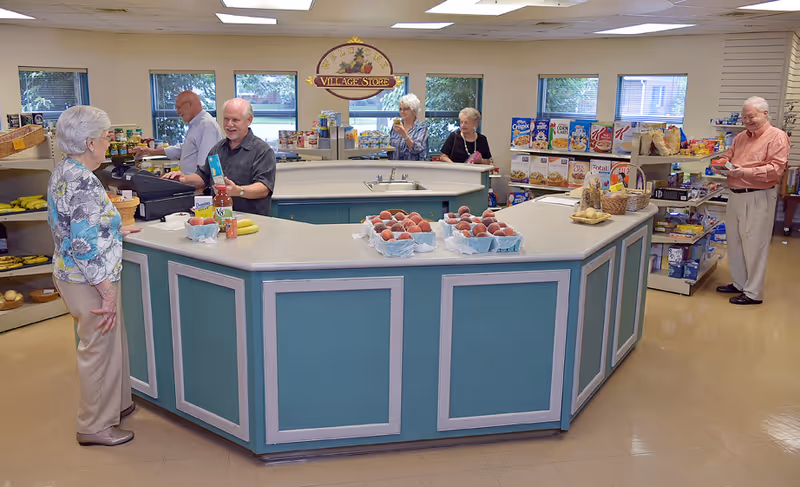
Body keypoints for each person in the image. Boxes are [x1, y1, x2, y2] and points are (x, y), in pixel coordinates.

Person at [47, 106, 141, 446]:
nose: (109, 142)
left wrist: (113, 231)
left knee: (108, 345)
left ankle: (115, 406)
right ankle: (93, 426)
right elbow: (83, 246)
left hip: (72, 274)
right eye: (106, 137)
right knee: (98, 350)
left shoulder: (64, 171)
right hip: (88, 279)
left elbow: (73, 224)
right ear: (89, 143)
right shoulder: (84, 181)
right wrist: (106, 292)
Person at [713, 96, 789, 305]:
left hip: (758, 196)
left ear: (765, 114)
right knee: (735, 241)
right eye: (745, 117)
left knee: (755, 244)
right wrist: (720, 164)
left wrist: (745, 172)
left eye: (752, 116)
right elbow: (728, 156)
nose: (748, 120)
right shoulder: (740, 138)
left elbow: (776, 169)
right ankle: (739, 283)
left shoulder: (777, 137)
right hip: (736, 194)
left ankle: (753, 292)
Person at [178, 98, 276, 216]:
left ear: (249, 120)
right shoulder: (217, 149)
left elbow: (263, 188)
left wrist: (238, 191)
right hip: (220, 217)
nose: (229, 124)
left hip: (250, 220)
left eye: (235, 120)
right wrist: (183, 179)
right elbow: (203, 176)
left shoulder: (262, 151)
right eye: (226, 119)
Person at [135, 90, 223, 177]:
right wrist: (151, 151)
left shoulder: (207, 125)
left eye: (179, 107)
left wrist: (199, 188)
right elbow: (183, 150)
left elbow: (205, 166)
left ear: (189, 105)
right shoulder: (195, 124)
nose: (177, 112)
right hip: (192, 183)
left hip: (199, 186)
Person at [389, 93, 428, 161]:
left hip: (413, 169)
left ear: (413, 110)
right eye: (400, 109)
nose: (402, 112)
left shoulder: (421, 127)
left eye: (405, 109)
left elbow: (417, 149)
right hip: (396, 167)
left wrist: (404, 135)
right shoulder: (396, 126)